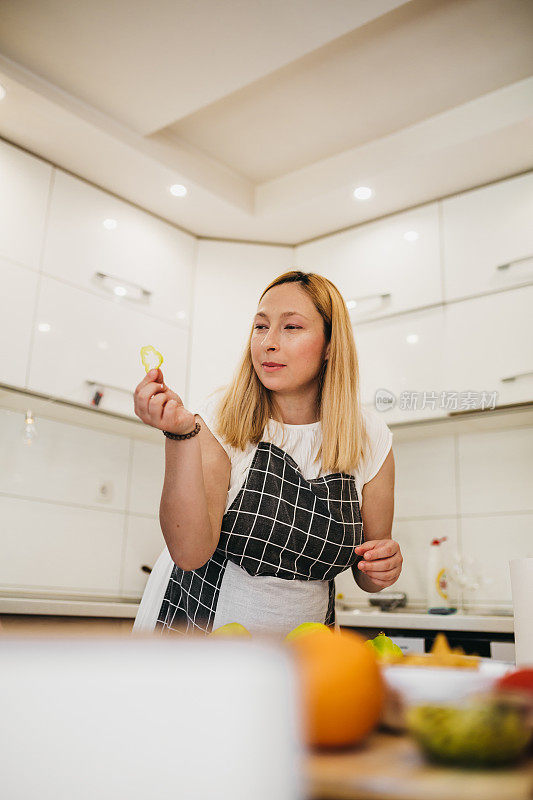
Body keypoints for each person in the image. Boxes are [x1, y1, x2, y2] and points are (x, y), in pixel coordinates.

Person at [132, 270, 401, 636]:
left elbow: (367, 573)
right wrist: (180, 436)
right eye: (261, 327)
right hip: (200, 636)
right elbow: (189, 552)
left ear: (330, 345)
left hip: (308, 654)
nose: (268, 343)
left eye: (291, 328)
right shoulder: (219, 418)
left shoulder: (370, 438)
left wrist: (382, 569)